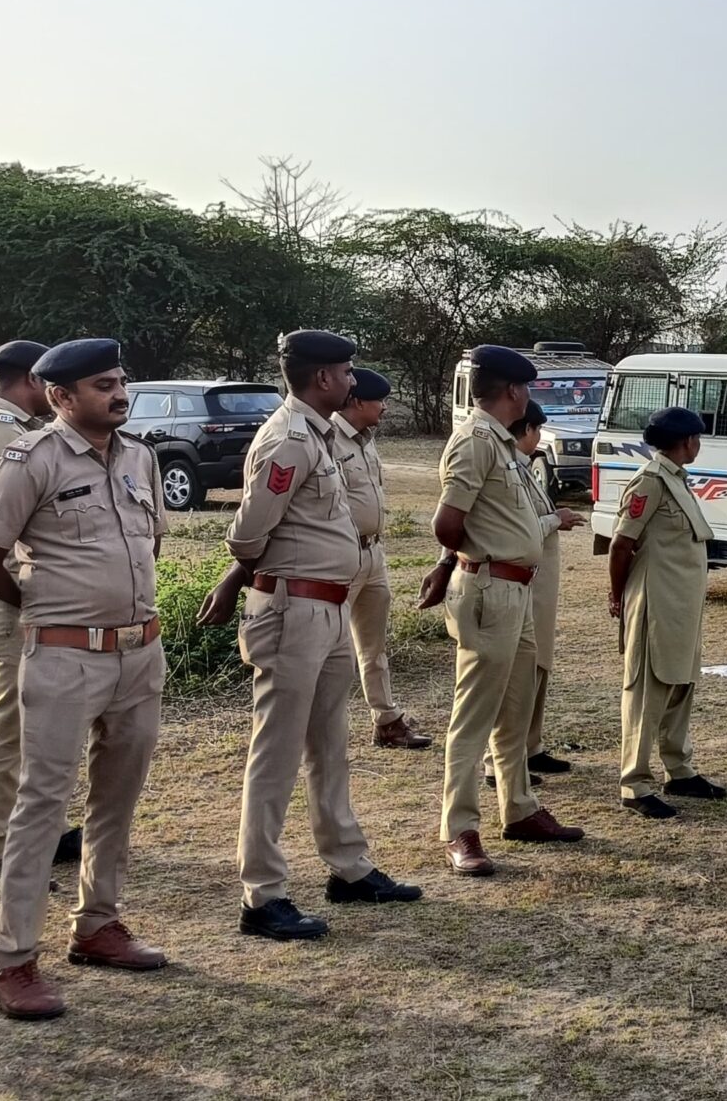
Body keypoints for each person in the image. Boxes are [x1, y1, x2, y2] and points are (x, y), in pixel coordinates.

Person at [0, 338, 173, 1021]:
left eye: (121, 381)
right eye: (102, 385)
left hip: (139, 653)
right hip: (64, 657)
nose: (120, 394)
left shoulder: (139, 455)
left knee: (117, 798)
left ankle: (98, 924)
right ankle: (13, 959)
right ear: (60, 396)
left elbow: (151, 540)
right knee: (42, 804)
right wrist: (46, 610)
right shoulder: (30, 459)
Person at [198, 331, 420, 942]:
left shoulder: (319, 435)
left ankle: (348, 867)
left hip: (327, 608)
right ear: (323, 378)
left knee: (329, 744)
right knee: (276, 755)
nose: (353, 381)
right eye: (346, 372)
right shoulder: (290, 439)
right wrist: (247, 574)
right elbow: (248, 533)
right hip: (292, 608)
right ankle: (262, 893)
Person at [421, 345, 581, 878]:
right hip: (489, 588)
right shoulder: (474, 440)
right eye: (527, 387)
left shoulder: (502, 443)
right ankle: (460, 828)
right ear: (513, 390)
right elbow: (448, 524)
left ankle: (519, 807)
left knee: (515, 711)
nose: (528, 395)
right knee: (474, 717)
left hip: (517, 591)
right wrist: (464, 559)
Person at [0, 340, 84, 887]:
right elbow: (3, 528)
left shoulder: (20, 429)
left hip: (41, 598)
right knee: (11, 729)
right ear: (32, 380)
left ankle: (41, 834)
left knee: (43, 730)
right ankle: (0, 851)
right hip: (15, 596)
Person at [607, 407, 727, 819]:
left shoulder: (677, 479)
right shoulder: (651, 482)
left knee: (680, 685)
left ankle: (678, 769)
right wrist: (617, 595)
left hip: (681, 606)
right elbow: (621, 544)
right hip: (655, 604)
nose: (699, 444)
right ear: (686, 441)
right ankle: (635, 784)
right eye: (697, 438)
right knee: (648, 693)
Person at [332, 368, 429, 751]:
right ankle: (326, 725)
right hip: (341, 555)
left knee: (373, 647)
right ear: (357, 402)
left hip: (373, 553)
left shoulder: (366, 440)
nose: (385, 407)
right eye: (379, 400)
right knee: (333, 647)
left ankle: (386, 720)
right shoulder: (329, 439)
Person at [508, 402, 586, 781]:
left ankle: (531, 745)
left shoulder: (524, 468)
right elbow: (519, 529)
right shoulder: (508, 469)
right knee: (522, 671)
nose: (539, 437)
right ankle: (507, 755)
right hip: (525, 583)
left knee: (540, 665)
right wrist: (557, 519)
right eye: (536, 430)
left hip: (540, 584)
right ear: (525, 430)